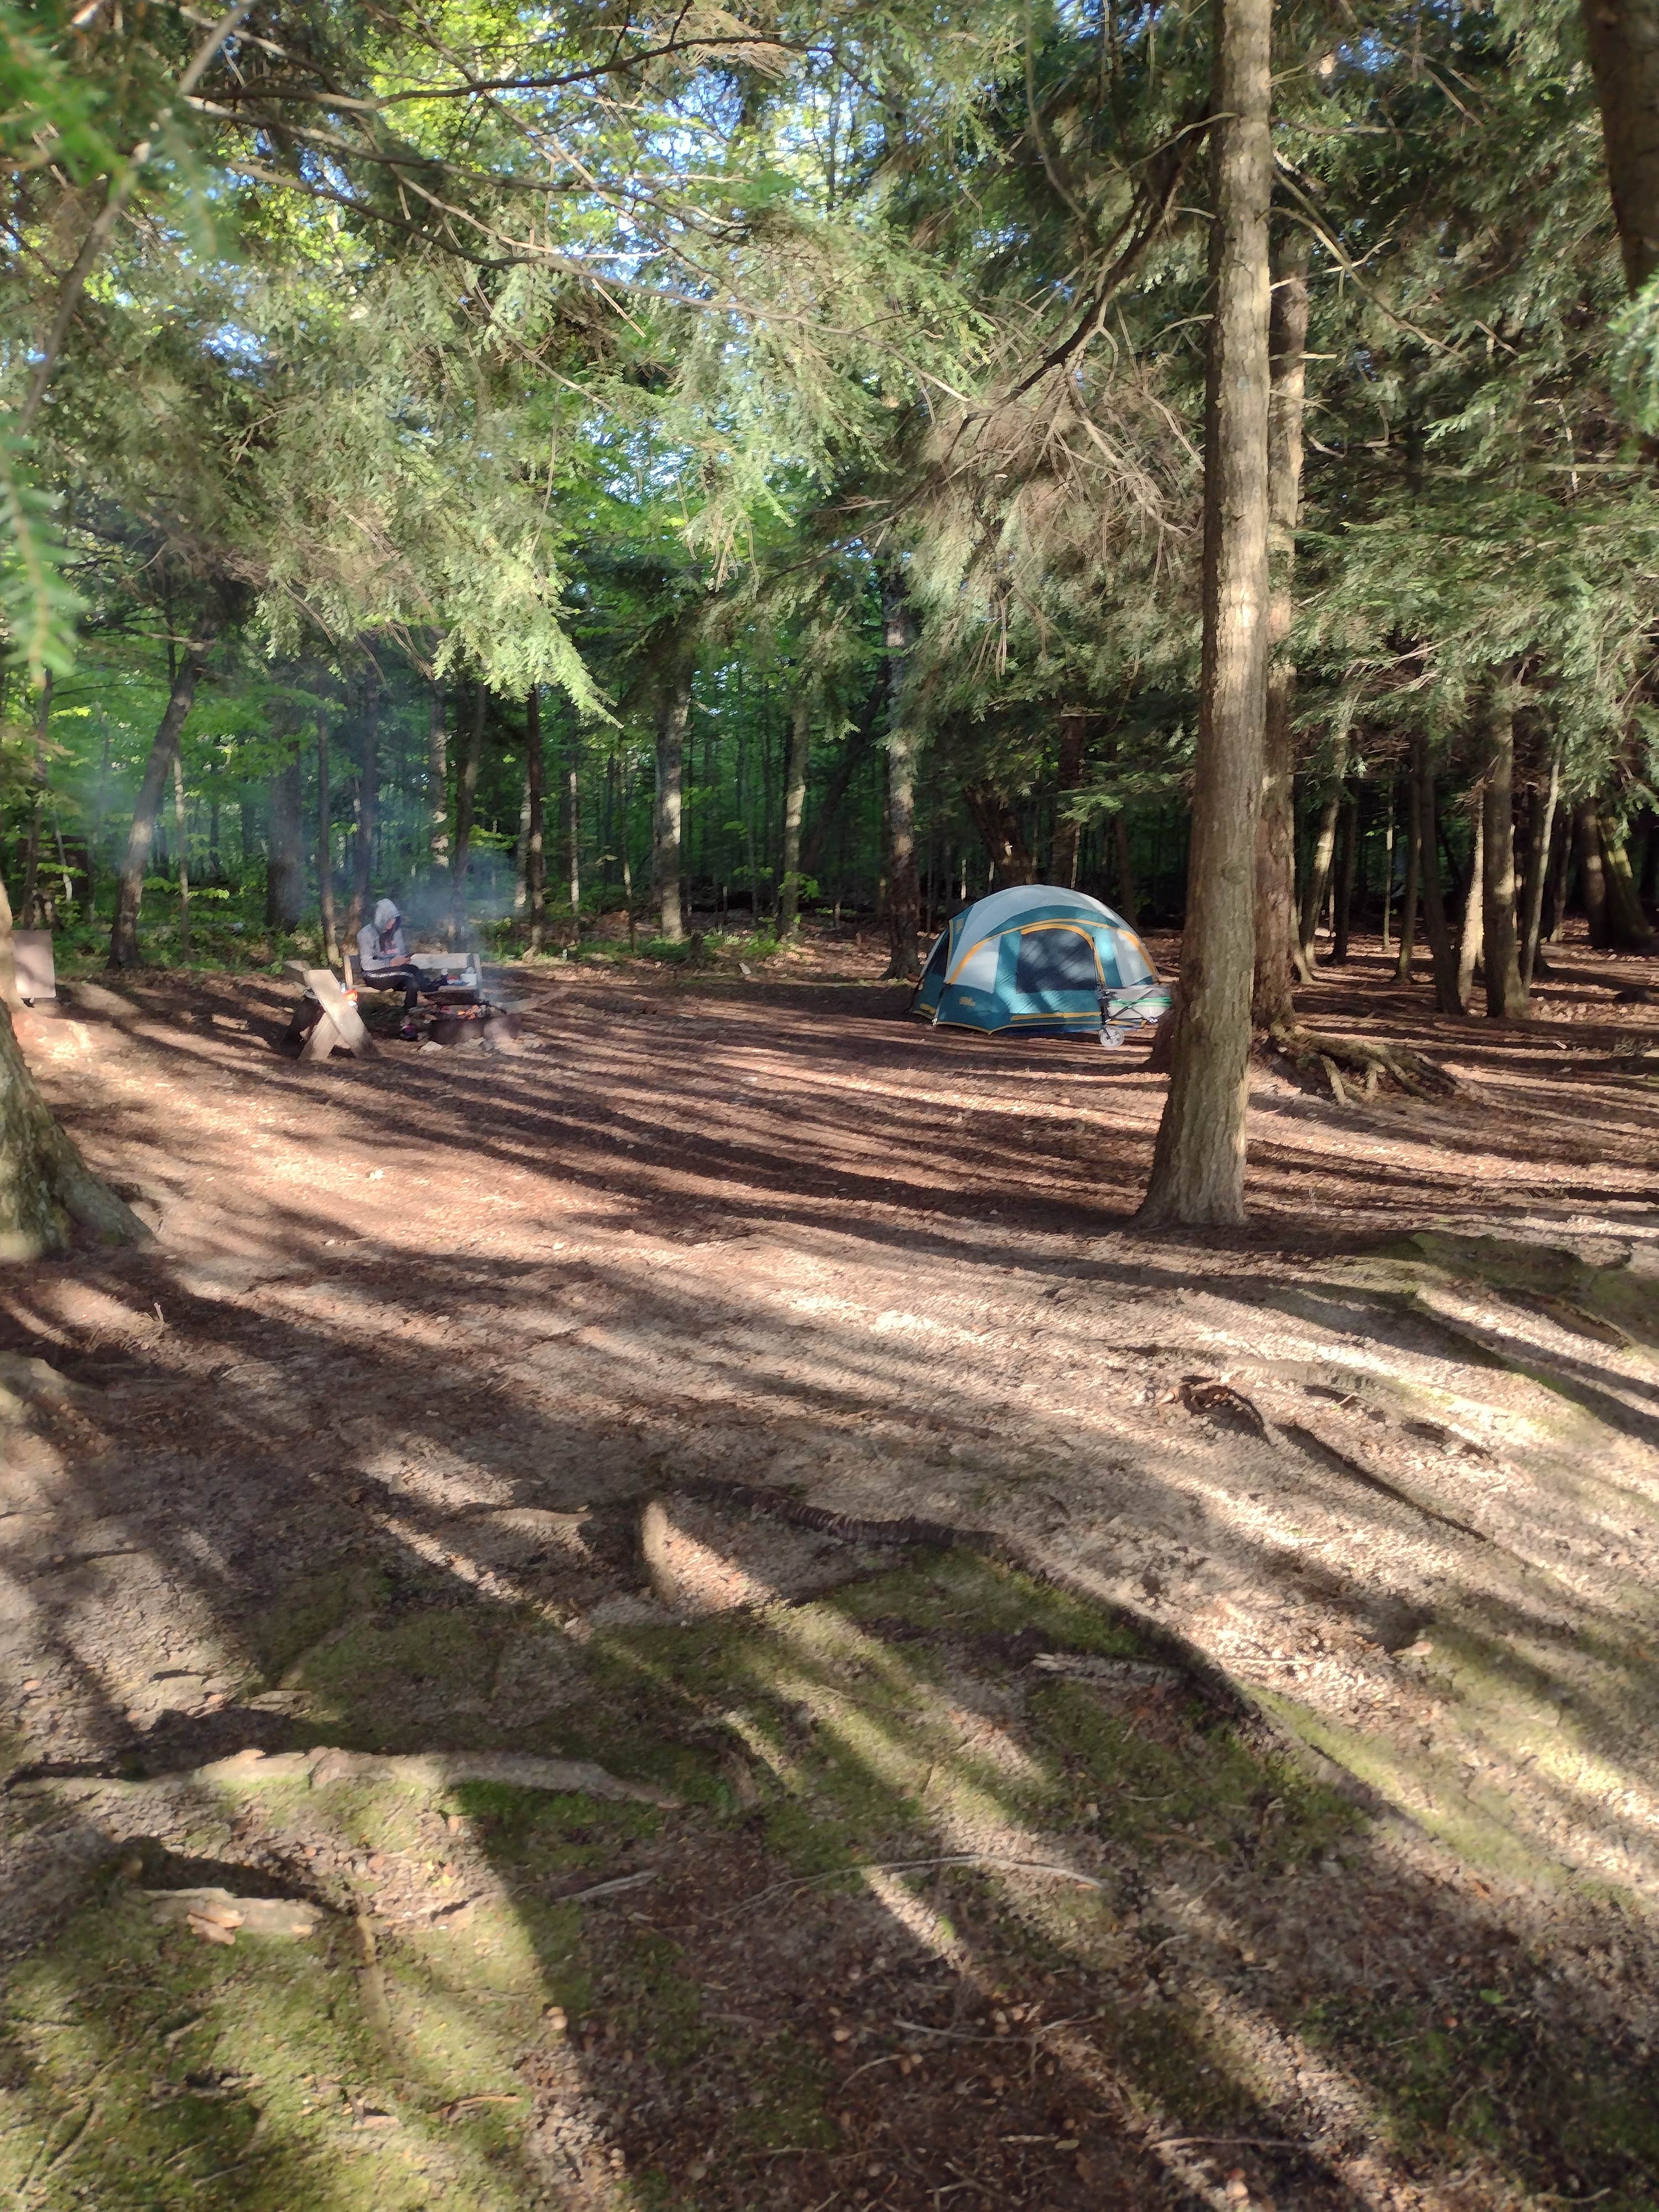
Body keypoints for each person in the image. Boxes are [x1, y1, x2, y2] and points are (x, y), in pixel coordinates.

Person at [358, 899, 431, 1039]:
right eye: (391, 920)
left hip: (397, 974)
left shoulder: (396, 932)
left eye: (395, 919)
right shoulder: (366, 934)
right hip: (374, 976)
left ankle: (407, 1025)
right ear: (382, 918)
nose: (393, 923)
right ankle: (430, 993)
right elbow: (366, 964)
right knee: (411, 974)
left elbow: (400, 955)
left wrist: (404, 959)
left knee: (413, 980)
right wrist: (390, 963)